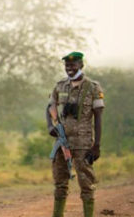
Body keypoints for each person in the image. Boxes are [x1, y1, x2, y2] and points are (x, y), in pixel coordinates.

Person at [45, 51, 104, 217]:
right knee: (59, 183)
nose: (69, 68)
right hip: (61, 143)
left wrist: (96, 146)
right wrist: (50, 126)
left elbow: (98, 117)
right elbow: (49, 107)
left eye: (73, 65)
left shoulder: (92, 88)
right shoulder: (60, 85)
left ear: (81, 65)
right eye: (67, 65)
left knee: (86, 184)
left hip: (83, 144)